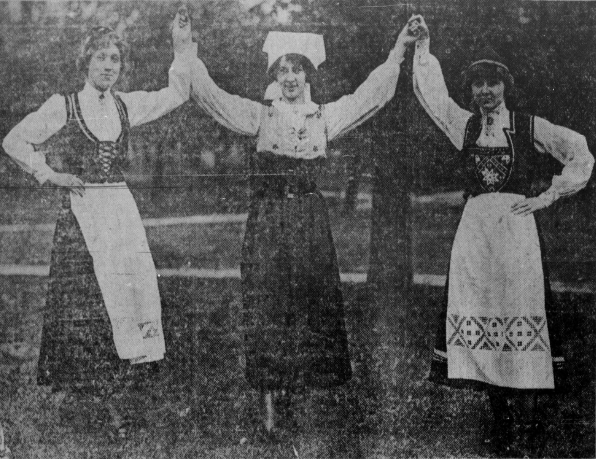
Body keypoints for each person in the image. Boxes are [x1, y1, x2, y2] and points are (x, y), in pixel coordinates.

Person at [187, 18, 422, 435]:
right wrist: (186, 49)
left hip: (310, 221)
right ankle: (269, 401)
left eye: (298, 69)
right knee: (267, 303)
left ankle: (300, 394)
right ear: (275, 75)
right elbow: (211, 97)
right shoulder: (259, 116)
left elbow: (373, 93)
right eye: (283, 69)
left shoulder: (324, 117)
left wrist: (400, 46)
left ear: (308, 75)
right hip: (270, 222)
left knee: (310, 304)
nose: (291, 77)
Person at [2, 12, 195, 437]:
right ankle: (84, 398)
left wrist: (182, 46)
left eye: (115, 60)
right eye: (101, 58)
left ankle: (120, 385)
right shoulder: (64, 105)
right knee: (86, 300)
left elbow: (178, 92)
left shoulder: (127, 104)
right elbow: (14, 140)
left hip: (120, 211)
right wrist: (49, 174)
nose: (109, 66)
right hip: (82, 213)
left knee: (129, 290)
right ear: (85, 62)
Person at [408, 17, 594, 457]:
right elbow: (433, 95)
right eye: (476, 85)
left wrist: (549, 196)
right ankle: (499, 423)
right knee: (484, 311)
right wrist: (423, 47)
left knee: (519, 309)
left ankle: (524, 428)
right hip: (474, 236)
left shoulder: (529, 126)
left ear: (505, 87)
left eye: (492, 83)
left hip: (516, 232)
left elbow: (579, 151)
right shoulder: (466, 126)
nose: (484, 92)